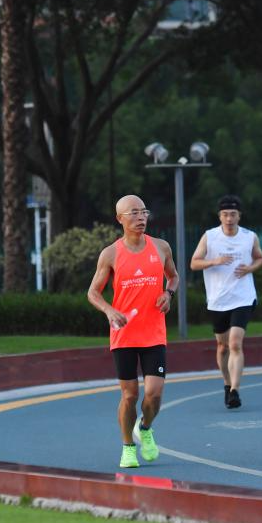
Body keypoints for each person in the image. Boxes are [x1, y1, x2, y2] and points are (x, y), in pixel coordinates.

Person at [87, 194, 179, 469]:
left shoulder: (161, 247)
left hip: (154, 333)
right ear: (120, 219)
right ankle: (128, 447)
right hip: (124, 334)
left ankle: (145, 428)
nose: (141, 218)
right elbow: (93, 292)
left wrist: (168, 294)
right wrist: (109, 310)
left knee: (154, 393)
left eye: (144, 212)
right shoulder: (111, 254)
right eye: (134, 213)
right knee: (130, 395)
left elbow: (173, 276)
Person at [190, 194, 262, 409]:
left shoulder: (249, 236)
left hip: (243, 297)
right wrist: (215, 261)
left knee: (235, 343)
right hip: (218, 299)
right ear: (220, 216)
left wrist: (249, 268)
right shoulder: (210, 237)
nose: (229, 218)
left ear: (239, 216)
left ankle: (235, 390)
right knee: (222, 347)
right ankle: (226, 383)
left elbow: (259, 257)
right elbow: (194, 263)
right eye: (225, 214)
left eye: (233, 214)